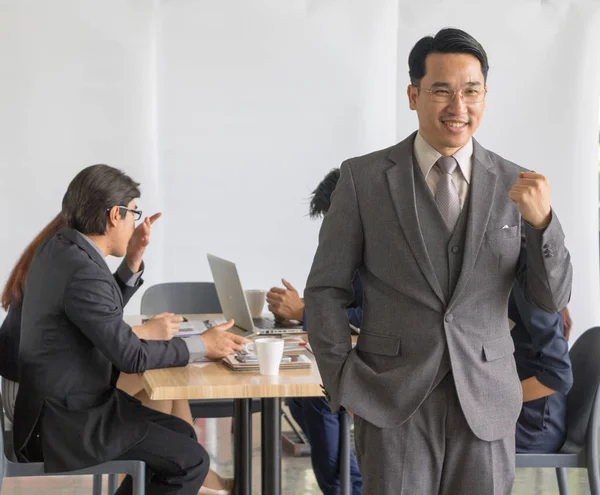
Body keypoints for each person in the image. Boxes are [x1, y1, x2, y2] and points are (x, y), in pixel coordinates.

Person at [304, 28, 572, 494]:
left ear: (485, 96)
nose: (458, 106)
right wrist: (341, 378)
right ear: (413, 95)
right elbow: (326, 289)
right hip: (390, 398)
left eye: (471, 91)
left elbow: (551, 297)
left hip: (486, 399)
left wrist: (544, 223)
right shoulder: (363, 178)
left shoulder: (517, 184)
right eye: (442, 90)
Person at [13, 164, 247, 495]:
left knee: (182, 436)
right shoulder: (82, 270)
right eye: (134, 214)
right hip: (69, 423)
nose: (135, 223)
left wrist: (133, 257)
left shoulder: (61, 250)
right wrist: (203, 345)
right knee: (190, 461)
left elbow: (96, 313)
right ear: (114, 215)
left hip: (60, 408)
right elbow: (131, 356)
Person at [268, 169, 363, 495]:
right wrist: (296, 312)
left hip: (381, 358)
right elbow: (336, 299)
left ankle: (348, 488)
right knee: (298, 393)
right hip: (345, 350)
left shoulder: (383, 248)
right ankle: (345, 486)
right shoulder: (346, 245)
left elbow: (377, 314)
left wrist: (305, 311)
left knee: (320, 397)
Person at [510, 284, 573, 453]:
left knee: (442, 430)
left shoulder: (533, 285)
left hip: (533, 425)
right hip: (523, 414)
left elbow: (558, 377)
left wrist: (488, 402)